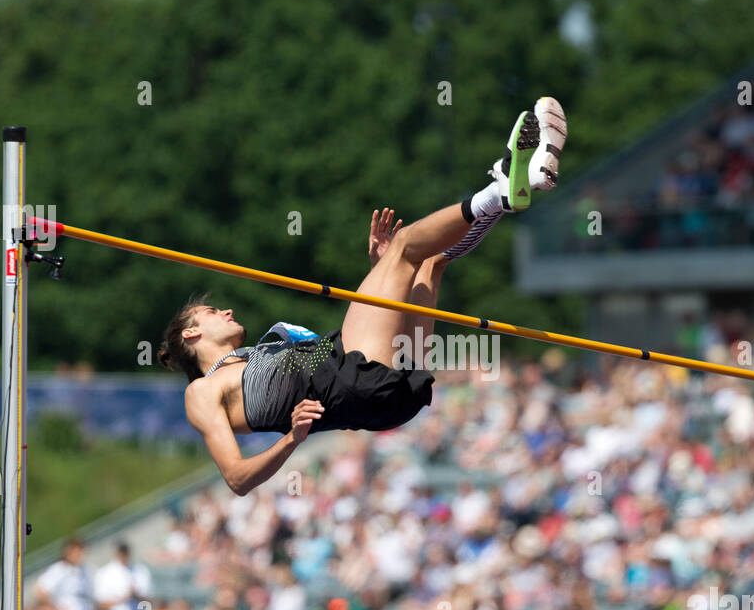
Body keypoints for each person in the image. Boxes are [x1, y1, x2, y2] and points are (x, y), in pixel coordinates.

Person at [158, 97, 567, 496]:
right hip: (357, 382)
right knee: (406, 245)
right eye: (210, 312)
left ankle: (515, 182)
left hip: (390, 396)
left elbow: (334, 349)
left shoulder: (255, 357)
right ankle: (502, 188)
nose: (225, 310)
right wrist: (292, 439)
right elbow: (236, 478)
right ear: (191, 336)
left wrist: (380, 273)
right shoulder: (202, 392)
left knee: (429, 263)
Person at [33, 537, 94, 610]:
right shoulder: (60, 569)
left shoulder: (84, 571)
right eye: (78, 551)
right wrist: (54, 608)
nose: (81, 555)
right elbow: (40, 589)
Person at [93, 540, 153, 610]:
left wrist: (135, 595)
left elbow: (147, 601)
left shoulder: (140, 570)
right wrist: (123, 598)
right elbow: (101, 605)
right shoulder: (105, 573)